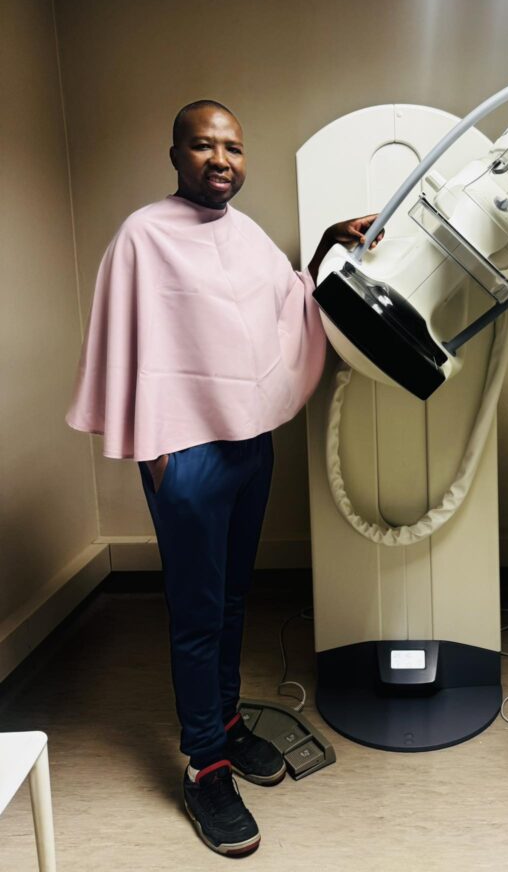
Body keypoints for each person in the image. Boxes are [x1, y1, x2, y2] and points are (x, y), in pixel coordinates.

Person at [66, 99, 382, 858]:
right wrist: (152, 446)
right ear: (174, 154)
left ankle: (229, 724)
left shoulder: (246, 239)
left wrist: (332, 250)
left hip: (247, 450)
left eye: (234, 147)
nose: (220, 159)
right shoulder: (143, 235)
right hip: (187, 456)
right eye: (204, 146)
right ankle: (204, 766)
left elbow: (288, 311)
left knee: (236, 597)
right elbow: (124, 339)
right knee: (198, 611)